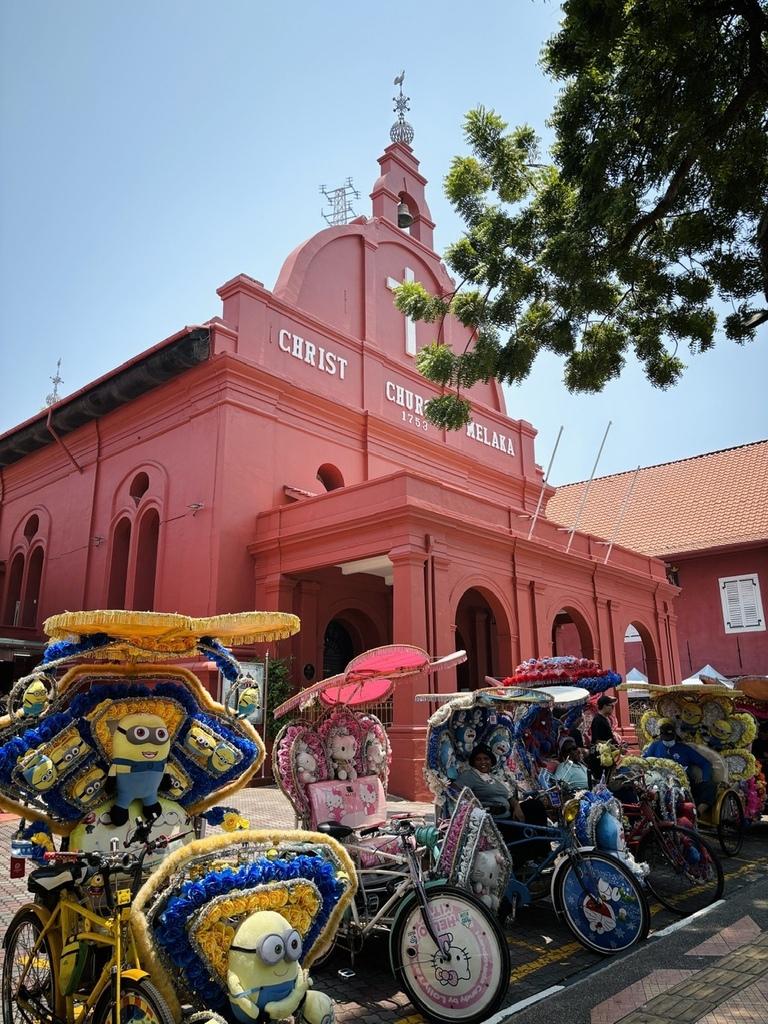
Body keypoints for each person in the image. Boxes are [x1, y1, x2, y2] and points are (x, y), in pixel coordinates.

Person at [456, 743, 549, 867]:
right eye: (478, 759)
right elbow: (453, 791)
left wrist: (517, 807)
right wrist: (472, 804)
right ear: (473, 762)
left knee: (535, 805)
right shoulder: (470, 775)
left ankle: (544, 851)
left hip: (509, 812)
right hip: (495, 819)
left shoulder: (494, 777)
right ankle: (535, 856)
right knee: (523, 831)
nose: (483, 762)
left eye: (486, 759)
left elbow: (509, 797)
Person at [643, 721, 718, 816]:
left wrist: (704, 778)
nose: (668, 740)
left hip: (684, 782)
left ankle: (697, 813)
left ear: (674, 736)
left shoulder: (684, 749)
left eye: (670, 738)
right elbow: (644, 760)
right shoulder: (655, 746)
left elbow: (705, 763)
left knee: (710, 787)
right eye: (665, 738)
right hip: (660, 781)